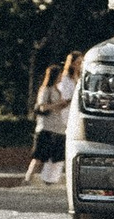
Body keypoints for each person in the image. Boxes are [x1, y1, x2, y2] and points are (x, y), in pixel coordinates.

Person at [30, 51, 78, 181]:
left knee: (56, 157)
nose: (61, 77)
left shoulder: (58, 90)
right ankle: (28, 178)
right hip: (46, 127)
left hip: (58, 127)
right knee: (39, 156)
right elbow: (42, 107)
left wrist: (64, 104)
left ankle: (49, 180)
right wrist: (58, 104)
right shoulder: (46, 89)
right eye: (59, 75)